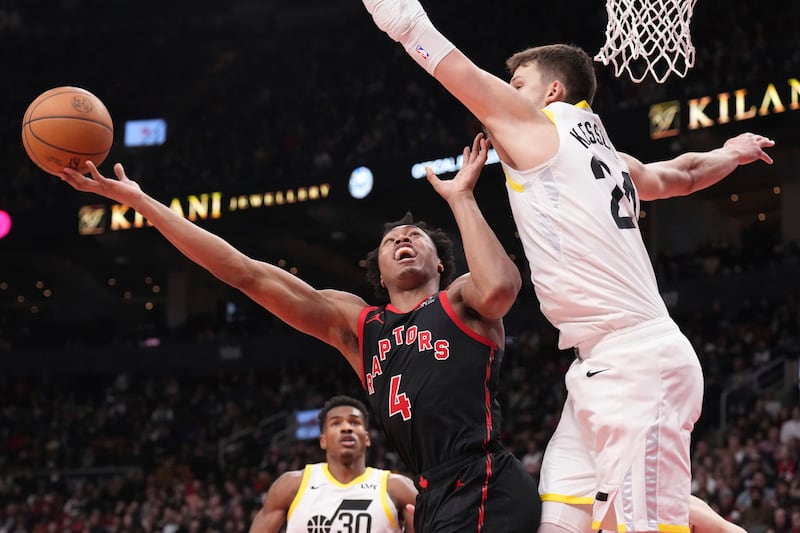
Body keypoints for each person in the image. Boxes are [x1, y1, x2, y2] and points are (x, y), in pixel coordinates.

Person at [359, 2, 775, 532]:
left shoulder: (539, 129)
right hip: (595, 369)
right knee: (555, 521)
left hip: (637, 362)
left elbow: (437, 52)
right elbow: (685, 173)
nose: (507, 90)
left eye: (518, 81)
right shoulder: (605, 153)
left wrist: (391, 13)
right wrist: (732, 152)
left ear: (552, 93)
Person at [59, 132, 541, 532]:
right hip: (434, 492)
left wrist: (461, 199)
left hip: (482, 479)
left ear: (440, 261)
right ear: (378, 269)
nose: (401, 239)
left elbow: (501, 287)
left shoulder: (460, 299)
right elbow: (246, 273)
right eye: (391, 240)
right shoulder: (358, 326)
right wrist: (141, 202)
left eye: (414, 237)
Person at [249, 395, 418, 533]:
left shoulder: (398, 487)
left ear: (367, 438)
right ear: (323, 440)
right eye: (336, 423)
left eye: (354, 422)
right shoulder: (291, 485)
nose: (346, 428)